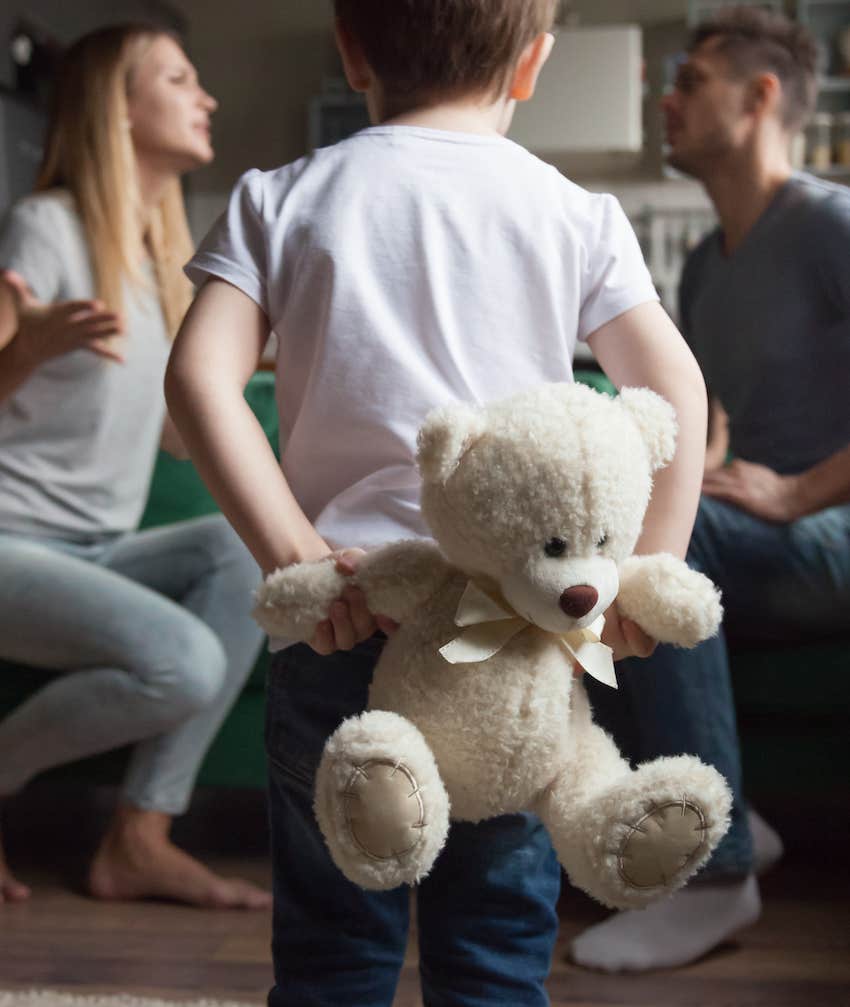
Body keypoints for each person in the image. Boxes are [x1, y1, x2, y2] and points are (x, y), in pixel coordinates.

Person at [164, 0, 713, 1002]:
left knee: (334, 944)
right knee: (496, 944)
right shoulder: (572, 210)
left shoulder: (278, 197)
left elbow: (199, 379)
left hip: (348, 613)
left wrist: (294, 551)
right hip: (518, 633)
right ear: (533, 65)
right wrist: (646, 571)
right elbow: (674, 392)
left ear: (350, 46)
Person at [571, 6, 850, 973]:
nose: (668, 98)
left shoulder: (830, 225)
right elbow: (714, 423)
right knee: (588, 554)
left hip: (832, 533)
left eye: (691, 79)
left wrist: (797, 492)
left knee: (667, 548)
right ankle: (733, 813)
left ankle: (719, 874)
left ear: (762, 95)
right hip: (770, 534)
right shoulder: (700, 270)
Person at [0, 23, 270, 910]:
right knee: (185, 663)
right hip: (13, 543)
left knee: (249, 553)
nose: (208, 98)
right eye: (181, 78)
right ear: (118, 108)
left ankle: (138, 838)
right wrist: (22, 351)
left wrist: (258, 363)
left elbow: (178, 442)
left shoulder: (164, 267)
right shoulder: (43, 228)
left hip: (95, 545)